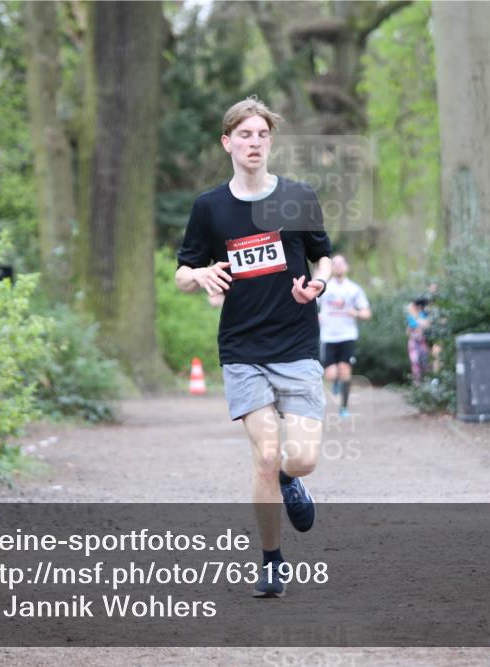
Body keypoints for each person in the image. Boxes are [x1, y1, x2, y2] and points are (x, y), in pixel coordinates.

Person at [175, 97, 332, 598]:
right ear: (227, 143)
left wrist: (318, 286)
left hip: (298, 343)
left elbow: (322, 256)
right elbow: (181, 273)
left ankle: (292, 481)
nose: (254, 142)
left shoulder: (298, 196)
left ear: (270, 141)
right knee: (266, 456)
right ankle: (271, 561)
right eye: (244, 135)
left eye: (262, 134)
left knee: (300, 459)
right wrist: (199, 274)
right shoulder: (210, 207)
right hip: (242, 350)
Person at [318, 255, 371, 418]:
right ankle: (334, 382)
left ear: (347, 267)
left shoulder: (354, 289)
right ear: (331, 268)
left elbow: (367, 313)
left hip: (347, 335)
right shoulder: (324, 288)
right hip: (328, 336)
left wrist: (355, 312)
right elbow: (312, 306)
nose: (338, 266)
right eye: (335, 264)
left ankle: (344, 407)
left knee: (345, 371)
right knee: (331, 374)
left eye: (341, 264)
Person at [406, 296, 431, 383]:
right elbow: (409, 329)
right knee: (415, 361)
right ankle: (417, 381)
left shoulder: (423, 314)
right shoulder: (410, 316)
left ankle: (426, 380)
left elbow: (426, 325)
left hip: (422, 340)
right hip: (414, 340)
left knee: (425, 361)